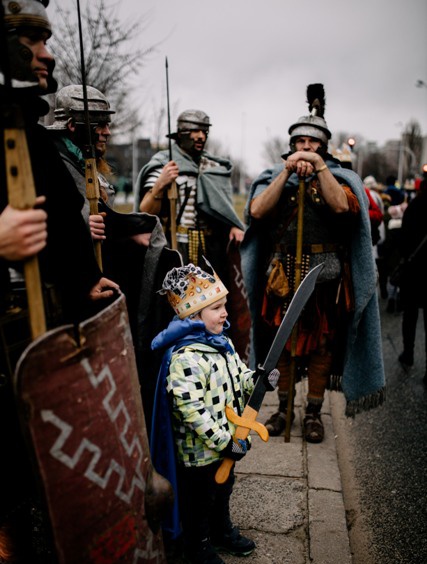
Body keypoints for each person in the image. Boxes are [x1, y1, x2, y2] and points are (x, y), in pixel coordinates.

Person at [0, 2, 120, 564]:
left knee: (46, 472)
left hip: (41, 333)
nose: (46, 51)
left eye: (48, 37)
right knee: (8, 496)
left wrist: (82, 278)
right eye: (30, 37)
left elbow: (66, 231)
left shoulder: (36, 134)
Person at [240, 84, 385, 443]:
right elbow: (256, 211)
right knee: (282, 345)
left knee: (321, 348)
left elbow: (342, 208)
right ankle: (283, 409)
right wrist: (285, 174)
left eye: (313, 143)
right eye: (300, 142)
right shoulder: (276, 176)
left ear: (323, 146)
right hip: (282, 277)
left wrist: (320, 168)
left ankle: (313, 414)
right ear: (291, 146)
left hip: (325, 279)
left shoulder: (341, 178)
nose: (306, 147)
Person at [47, 84, 181, 429]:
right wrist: (78, 228)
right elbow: (48, 219)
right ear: (73, 124)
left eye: (107, 122)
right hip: (65, 292)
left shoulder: (84, 163)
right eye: (99, 123)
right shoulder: (52, 163)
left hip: (96, 281)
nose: (107, 130)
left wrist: (127, 231)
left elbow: (104, 220)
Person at [149, 262, 279, 564]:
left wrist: (257, 381)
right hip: (199, 452)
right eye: (217, 308)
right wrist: (224, 441)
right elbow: (190, 408)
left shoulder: (221, 343)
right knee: (200, 500)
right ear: (194, 316)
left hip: (227, 442)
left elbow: (238, 379)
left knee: (224, 489)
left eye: (223, 306)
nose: (225, 313)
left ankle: (222, 531)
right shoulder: (186, 357)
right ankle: (199, 544)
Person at [133, 110, 251, 358]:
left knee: (212, 305)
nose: (200, 136)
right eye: (195, 131)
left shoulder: (213, 167)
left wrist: (231, 224)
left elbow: (222, 210)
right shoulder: (163, 162)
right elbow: (146, 211)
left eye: (204, 131)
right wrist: (160, 184)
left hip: (211, 250)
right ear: (181, 135)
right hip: (176, 249)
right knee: (175, 307)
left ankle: (212, 357)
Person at [397, 178, 427, 383]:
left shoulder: (414, 207)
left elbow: (404, 237)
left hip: (413, 271)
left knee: (410, 315)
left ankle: (408, 353)